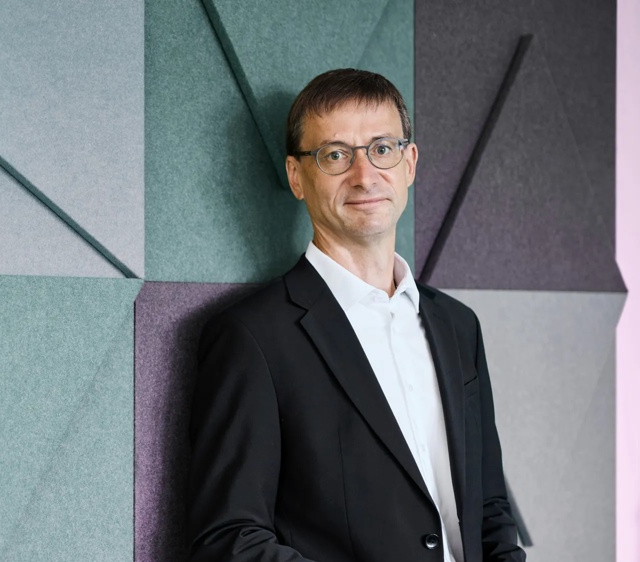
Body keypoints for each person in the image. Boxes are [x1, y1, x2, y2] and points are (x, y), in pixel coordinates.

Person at [187, 69, 526, 562]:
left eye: (382, 149)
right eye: (336, 155)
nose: (365, 176)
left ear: (409, 163)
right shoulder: (252, 338)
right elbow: (229, 538)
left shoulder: (458, 326)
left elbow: (490, 506)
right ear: (296, 176)